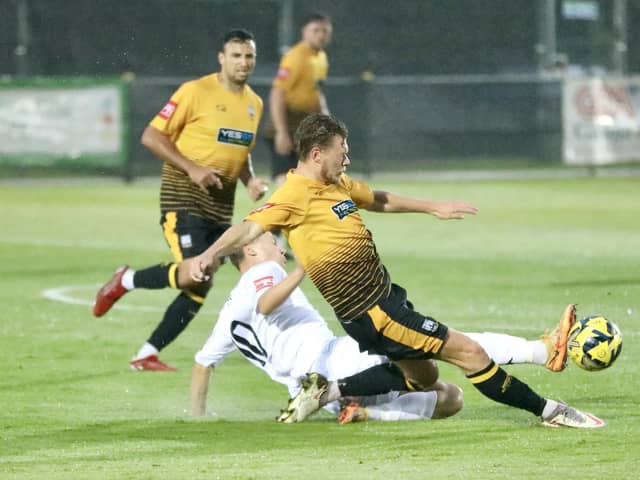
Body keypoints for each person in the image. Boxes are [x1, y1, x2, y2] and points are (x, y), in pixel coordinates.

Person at [188, 113, 605, 428]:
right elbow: (248, 228)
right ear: (317, 154)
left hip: (382, 301)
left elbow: (379, 199)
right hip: (374, 312)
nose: (347, 156)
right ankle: (552, 410)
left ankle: (329, 390)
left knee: (423, 377)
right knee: (469, 353)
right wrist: (209, 255)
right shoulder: (293, 193)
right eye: (341, 150)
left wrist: (432, 207)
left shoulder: (338, 184)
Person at [189, 232, 569, 424]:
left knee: (450, 397)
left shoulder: (227, 316)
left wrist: (198, 416)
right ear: (251, 253)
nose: (279, 246)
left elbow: (203, 364)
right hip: (337, 359)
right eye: (270, 241)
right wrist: (307, 265)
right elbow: (266, 301)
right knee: (437, 342)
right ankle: (541, 350)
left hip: (315, 395)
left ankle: (366, 413)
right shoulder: (264, 271)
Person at [92, 29, 269, 372]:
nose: (243, 62)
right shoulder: (196, 91)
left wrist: (250, 180)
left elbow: (239, 149)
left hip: (221, 206)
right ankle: (125, 279)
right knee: (193, 275)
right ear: (221, 57)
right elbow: (151, 135)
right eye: (236, 55)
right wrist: (192, 168)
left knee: (201, 283)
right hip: (184, 198)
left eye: (249, 56)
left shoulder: (254, 103)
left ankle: (146, 354)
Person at [267, 12, 332, 187]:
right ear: (304, 31)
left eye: (325, 30)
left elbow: (317, 91)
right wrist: (281, 132)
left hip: (307, 124)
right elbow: (277, 93)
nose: (321, 34)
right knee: (287, 179)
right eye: (316, 30)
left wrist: (326, 118)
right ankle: (281, 213)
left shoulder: (321, 57)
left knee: (312, 177)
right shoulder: (296, 57)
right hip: (289, 122)